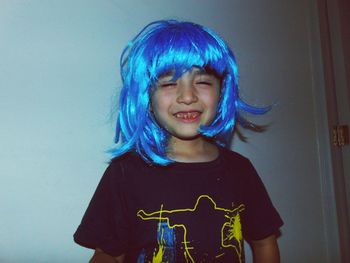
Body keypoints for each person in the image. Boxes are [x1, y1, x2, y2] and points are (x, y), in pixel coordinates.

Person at [74, 19, 283, 263]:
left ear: (222, 91)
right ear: (147, 97)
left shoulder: (240, 170)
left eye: (202, 82)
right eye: (169, 83)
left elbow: (265, 242)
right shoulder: (124, 173)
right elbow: (108, 255)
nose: (187, 96)